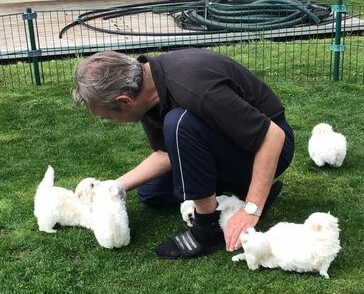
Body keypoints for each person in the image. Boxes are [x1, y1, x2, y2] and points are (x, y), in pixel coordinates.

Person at [72, 49, 294, 259]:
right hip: (230, 144)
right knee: (151, 193)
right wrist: (113, 188)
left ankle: (208, 229)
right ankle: (244, 189)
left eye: (109, 117)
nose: (112, 121)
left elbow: (273, 136)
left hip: (268, 149)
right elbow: (167, 153)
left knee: (179, 122)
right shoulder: (147, 86)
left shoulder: (196, 90)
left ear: (124, 101)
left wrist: (252, 209)